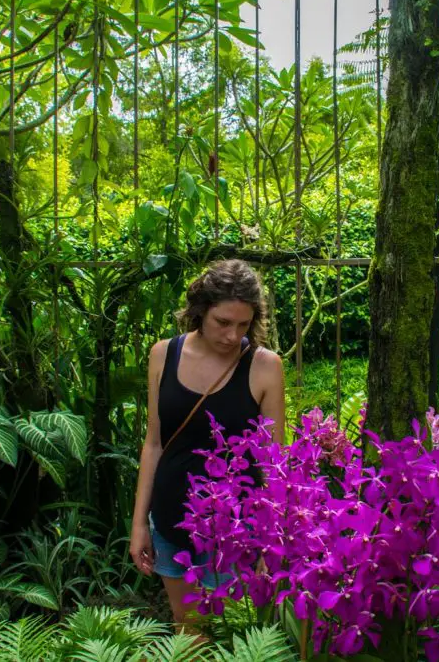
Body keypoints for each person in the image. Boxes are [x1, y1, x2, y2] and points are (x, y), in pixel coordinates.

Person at [129, 259, 286, 629]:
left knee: (235, 635)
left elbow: (275, 463)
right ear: (200, 312)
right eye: (223, 322)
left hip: (238, 533)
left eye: (243, 325)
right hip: (170, 522)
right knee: (189, 630)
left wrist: (272, 538)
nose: (233, 336)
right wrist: (139, 525)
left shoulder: (265, 366)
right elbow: (154, 444)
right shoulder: (162, 354)